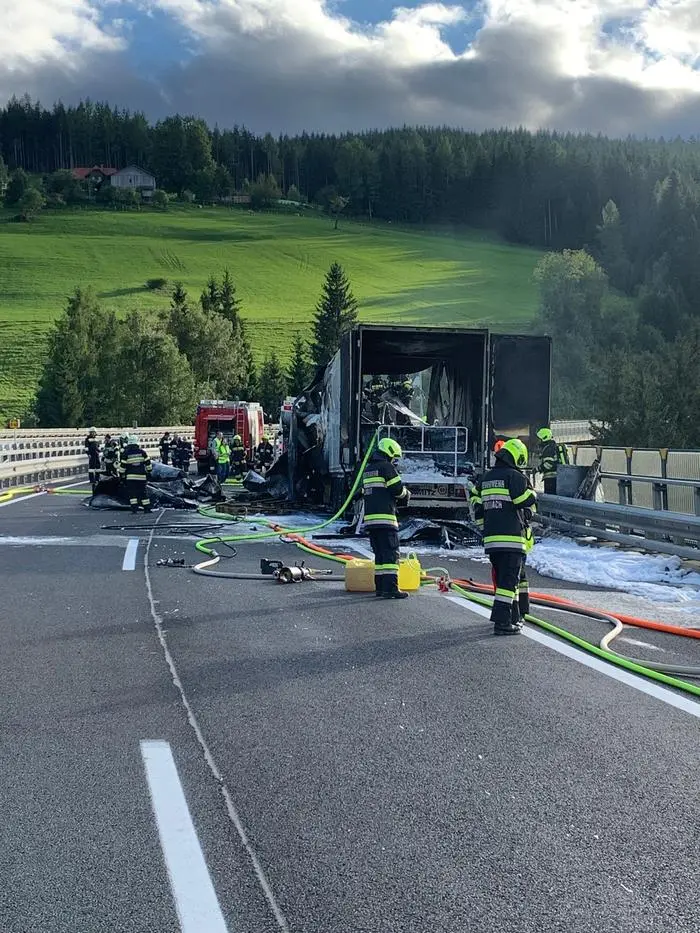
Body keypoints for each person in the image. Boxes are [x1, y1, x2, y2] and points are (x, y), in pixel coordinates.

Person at [473, 438, 537, 636]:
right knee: (508, 585)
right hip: (511, 540)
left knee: (506, 581)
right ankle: (502, 623)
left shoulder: (486, 478)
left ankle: (513, 616)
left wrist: (487, 529)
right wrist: (533, 493)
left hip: (492, 540)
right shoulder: (515, 477)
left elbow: (478, 510)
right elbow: (522, 501)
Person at [362, 437, 411, 599]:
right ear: (389, 453)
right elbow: (397, 490)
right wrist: (406, 494)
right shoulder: (387, 467)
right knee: (390, 555)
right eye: (394, 457)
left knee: (380, 556)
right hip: (386, 519)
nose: (394, 460)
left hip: (371, 521)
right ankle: (390, 589)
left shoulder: (369, 469)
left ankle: (381, 588)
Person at [119, 434, 153, 513]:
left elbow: (122, 467)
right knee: (143, 492)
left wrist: (121, 475)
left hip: (130, 478)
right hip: (142, 477)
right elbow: (148, 465)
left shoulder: (126, 453)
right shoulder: (142, 452)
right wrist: (149, 471)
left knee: (132, 494)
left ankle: (134, 509)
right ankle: (147, 509)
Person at [536, 427, 569, 494]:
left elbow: (548, 464)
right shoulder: (553, 446)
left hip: (550, 479)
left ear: (544, 438)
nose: (538, 440)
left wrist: (537, 469)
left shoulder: (548, 449)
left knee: (549, 497)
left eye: (539, 438)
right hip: (557, 478)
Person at [84, 427, 101, 491]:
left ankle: (97, 479)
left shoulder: (96, 439)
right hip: (92, 455)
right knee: (91, 468)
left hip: (97, 455)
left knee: (98, 468)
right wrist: (88, 454)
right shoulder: (87, 439)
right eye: (93, 432)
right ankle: (92, 480)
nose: (94, 433)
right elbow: (86, 448)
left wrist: (99, 451)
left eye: (94, 432)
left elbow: (98, 446)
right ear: (90, 432)